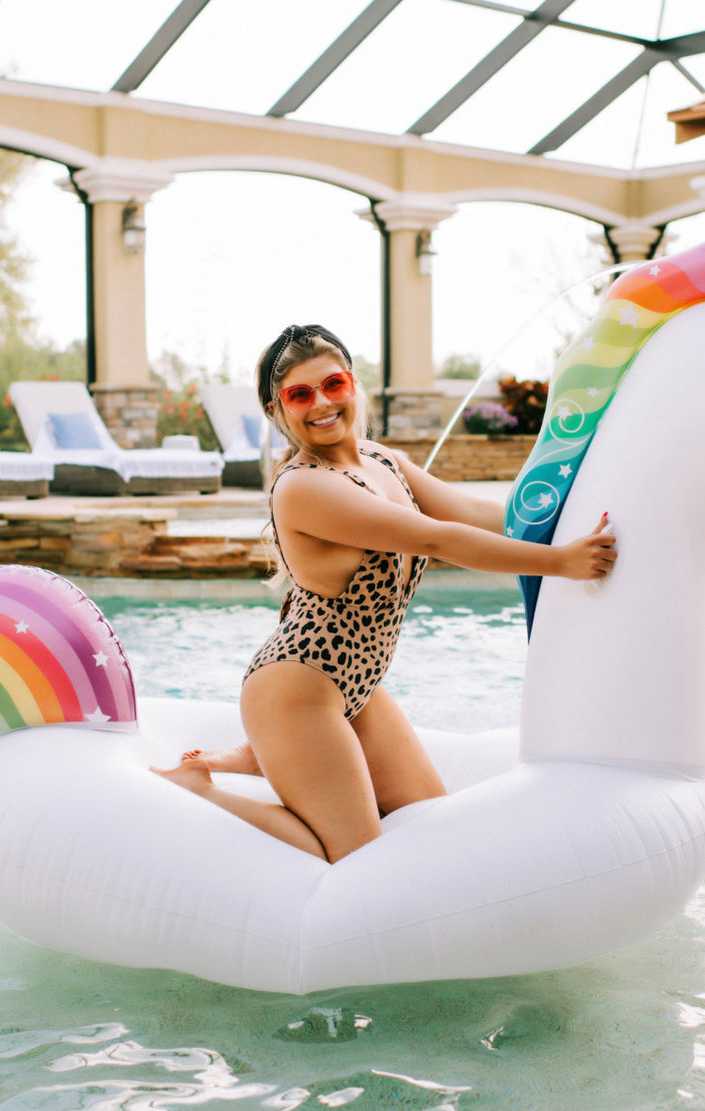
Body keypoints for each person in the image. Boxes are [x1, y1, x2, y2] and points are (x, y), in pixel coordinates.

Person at [152, 324, 616, 863]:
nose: (322, 403)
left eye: (333, 383)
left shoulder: (382, 460)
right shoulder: (303, 486)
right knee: (352, 856)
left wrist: (567, 517)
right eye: (299, 395)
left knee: (432, 826)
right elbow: (435, 537)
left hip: (358, 688)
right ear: (279, 412)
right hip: (296, 692)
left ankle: (263, 757)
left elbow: (474, 514)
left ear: (354, 383)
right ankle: (202, 790)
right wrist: (560, 562)